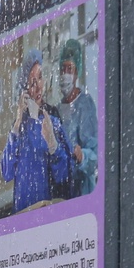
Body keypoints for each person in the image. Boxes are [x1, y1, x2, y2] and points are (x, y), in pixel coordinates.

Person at [0, 51, 72, 213]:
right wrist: (17, 122)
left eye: (39, 77)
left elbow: (64, 175)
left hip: (47, 212)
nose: (38, 86)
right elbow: (6, 173)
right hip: (23, 213)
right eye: (32, 83)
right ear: (24, 91)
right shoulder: (19, 129)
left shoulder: (52, 120)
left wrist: (53, 145)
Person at [55, 38, 98, 200]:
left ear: (77, 73)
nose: (65, 74)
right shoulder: (57, 110)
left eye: (70, 69)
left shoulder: (85, 104)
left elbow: (95, 155)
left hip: (82, 193)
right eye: (62, 69)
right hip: (62, 191)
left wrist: (82, 157)